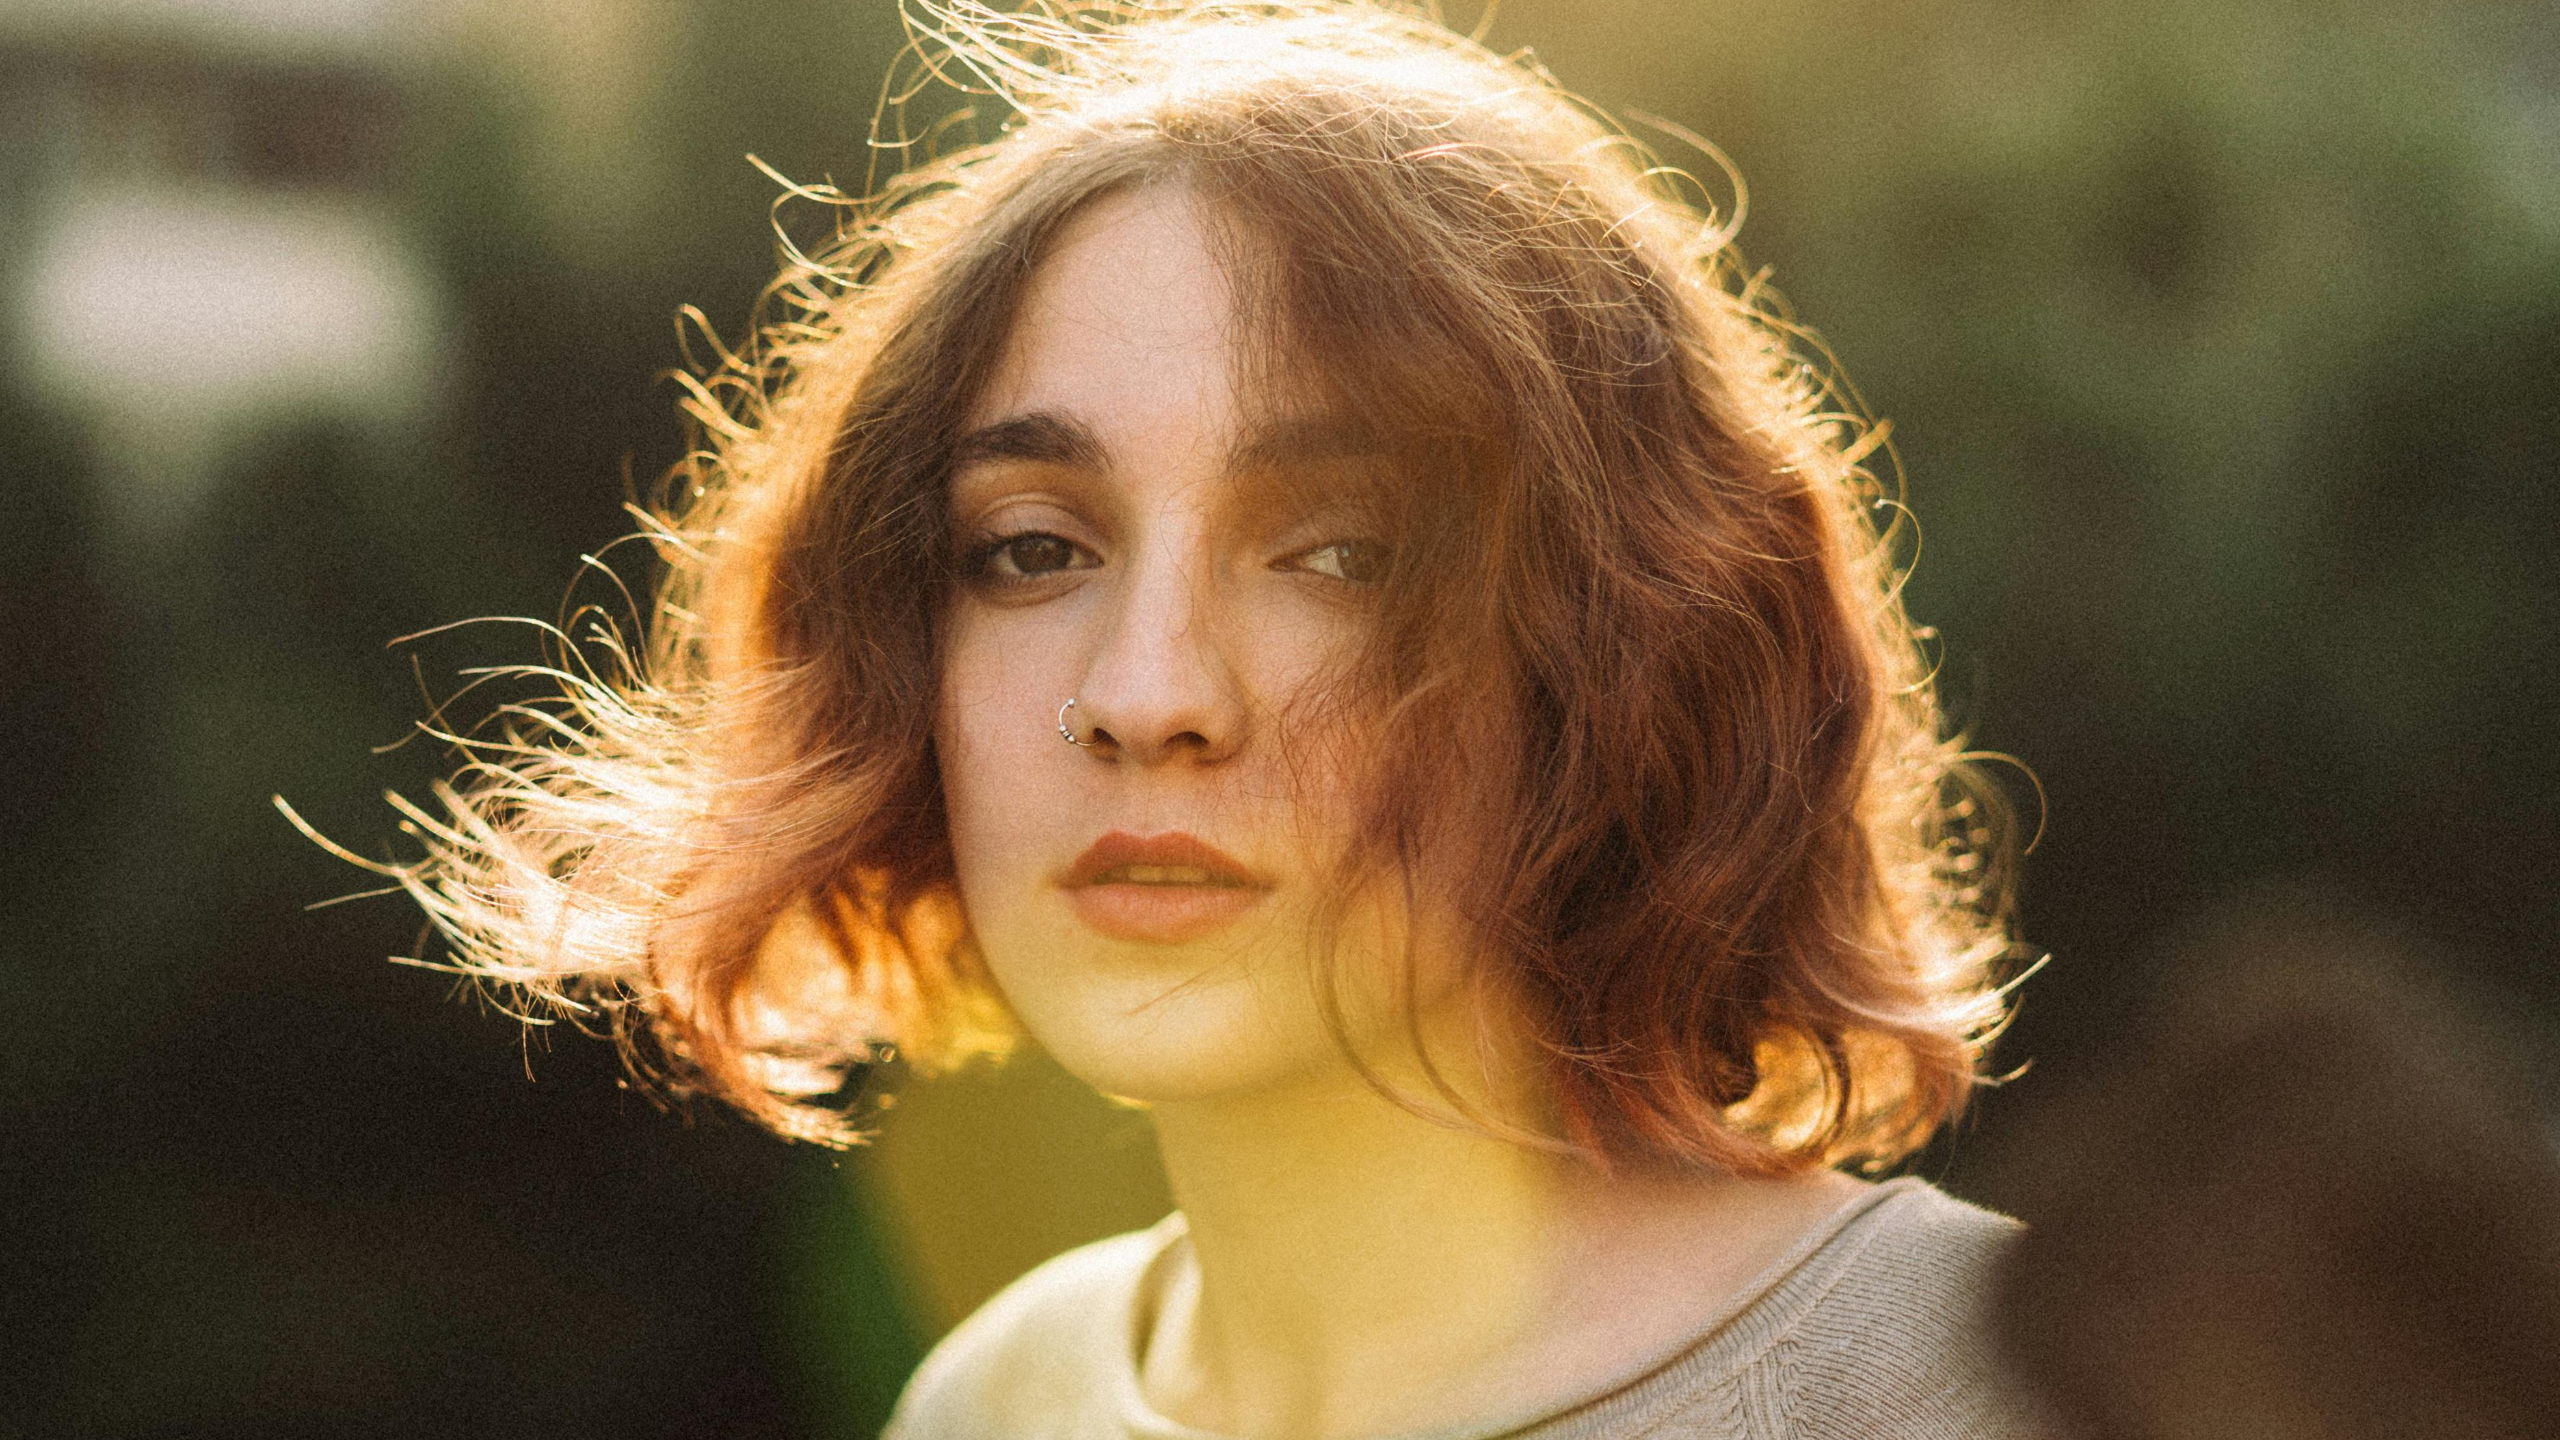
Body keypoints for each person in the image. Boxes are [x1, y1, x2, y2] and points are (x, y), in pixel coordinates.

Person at [318, 3, 2046, 1435]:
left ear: (1630, 639)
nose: (1146, 695)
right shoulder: (993, 1403)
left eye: (1340, 553)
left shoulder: (1992, 1389)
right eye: (1033, 549)